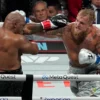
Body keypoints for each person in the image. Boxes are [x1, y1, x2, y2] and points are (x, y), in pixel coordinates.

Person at [23, 8, 100, 96]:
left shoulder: (97, 36)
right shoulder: (66, 30)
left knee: (87, 96)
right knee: (78, 93)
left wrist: (96, 59)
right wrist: (28, 22)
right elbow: (38, 31)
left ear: (90, 24)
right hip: (73, 70)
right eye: (77, 20)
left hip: (92, 71)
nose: (77, 25)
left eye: (82, 23)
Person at [0, 11, 38, 96]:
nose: (23, 28)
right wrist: (30, 37)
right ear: (15, 24)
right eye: (22, 25)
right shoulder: (18, 39)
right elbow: (35, 50)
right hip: (12, 77)